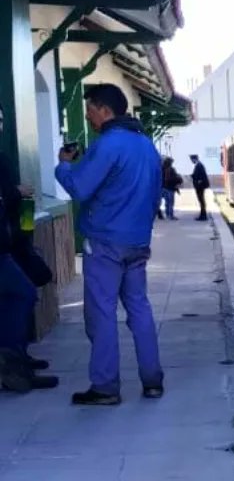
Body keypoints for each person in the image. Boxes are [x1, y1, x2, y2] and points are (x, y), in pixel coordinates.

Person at [55, 83, 164, 405]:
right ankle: (153, 381)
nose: (87, 117)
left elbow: (79, 187)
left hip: (105, 242)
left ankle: (105, 387)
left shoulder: (108, 144)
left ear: (104, 110)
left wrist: (64, 164)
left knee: (101, 313)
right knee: (139, 309)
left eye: (89, 110)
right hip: (137, 241)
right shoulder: (147, 145)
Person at [0, 108, 58, 392]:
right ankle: (12, 363)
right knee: (23, 294)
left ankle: (17, 358)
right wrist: (15, 192)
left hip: (9, 241)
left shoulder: (2, 157)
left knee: (18, 296)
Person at [189, 153, 210, 221]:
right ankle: (202, 215)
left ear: (194, 159)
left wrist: (197, 181)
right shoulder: (199, 165)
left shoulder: (199, 165)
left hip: (200, 186)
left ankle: (203, 216)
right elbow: (197, 175)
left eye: (191, 160)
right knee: (201, 201)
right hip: (200, 186)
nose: (191, 161)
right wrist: (192, 175)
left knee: (201, 201)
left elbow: (201, 176)